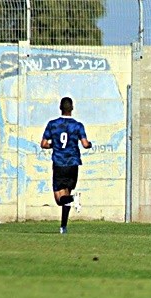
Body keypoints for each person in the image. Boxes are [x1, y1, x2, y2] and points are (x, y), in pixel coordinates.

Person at [40, 96, 92, 234]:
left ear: (60, 108)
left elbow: (44, 144)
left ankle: (73, 200)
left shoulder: (53, 124)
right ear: (72, 108)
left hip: (59, 163)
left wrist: (53, 145)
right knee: (66, 196)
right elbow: (85, 144)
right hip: (73, 164)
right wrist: (90, 145)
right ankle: (63, 227)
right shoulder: (78, 125)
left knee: (59, 200)